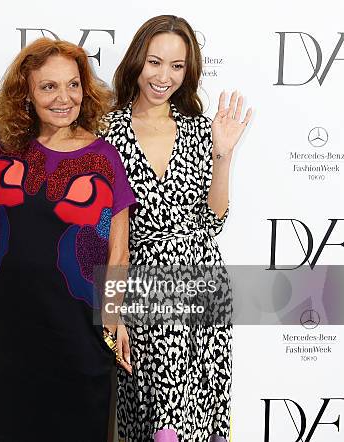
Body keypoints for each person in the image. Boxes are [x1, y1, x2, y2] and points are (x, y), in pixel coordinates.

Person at [0, 38, 136, 441]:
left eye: (73, 85)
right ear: (26, 93)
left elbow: (118, 250)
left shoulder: (105, 158)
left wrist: (110, 321)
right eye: (49, 86)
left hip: (80, 342)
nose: (64, 98)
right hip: (9, 343)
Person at [101, 15, 252, 442]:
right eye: (154, 62)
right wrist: (113, 313)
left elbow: (214, 221)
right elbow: (104, 236)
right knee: (158, 421)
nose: (164, 76)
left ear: (189, 72)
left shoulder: (201, 129)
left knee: (203, 416)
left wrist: (222, 154)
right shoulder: (105, 133)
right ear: (136, 63)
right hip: (143, 285)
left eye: (177, 66)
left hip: (202, 281)